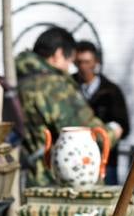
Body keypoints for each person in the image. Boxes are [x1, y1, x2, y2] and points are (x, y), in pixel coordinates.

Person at [16, 26, 107, 186]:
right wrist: (113, 132)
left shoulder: (17, 78)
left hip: (21, 178)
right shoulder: (52, 86)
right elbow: (85, 132)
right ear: (58, 54)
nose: (69, 69)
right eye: (70, 62)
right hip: (54, 180)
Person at [73, 40, 128, 184]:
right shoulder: (69, 89)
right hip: (74, 159)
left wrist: (108, 134)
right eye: (79, 62)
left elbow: (124, 126)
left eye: (87, 62)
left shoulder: (111, 92)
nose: (83, 67)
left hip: (105, 161)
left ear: (95, 62)